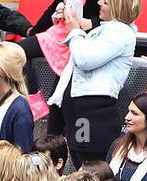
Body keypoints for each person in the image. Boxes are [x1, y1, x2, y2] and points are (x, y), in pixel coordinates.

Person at [49, 0, 138, 167]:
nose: (98, 3)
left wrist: (75, 31)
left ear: (118, 7)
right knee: (82, 167)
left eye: (105, 2)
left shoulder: (120, 32)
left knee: (90, 171)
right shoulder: (107, 28)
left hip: (92, 117)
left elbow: (85, 59)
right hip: (82, 117)